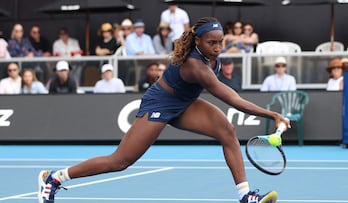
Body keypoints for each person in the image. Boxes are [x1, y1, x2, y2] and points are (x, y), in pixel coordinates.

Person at [37, 17, 289, 203]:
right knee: (121, 160)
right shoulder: (195, 66)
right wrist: (272, 114)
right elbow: (231, 98)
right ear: (197, 41)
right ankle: (55, 179)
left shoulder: (211, 56)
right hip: (160, 103)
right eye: (211, 42)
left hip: (185, 102)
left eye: (220, 42)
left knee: (227, 131)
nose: (217, 47)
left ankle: (245, 196)